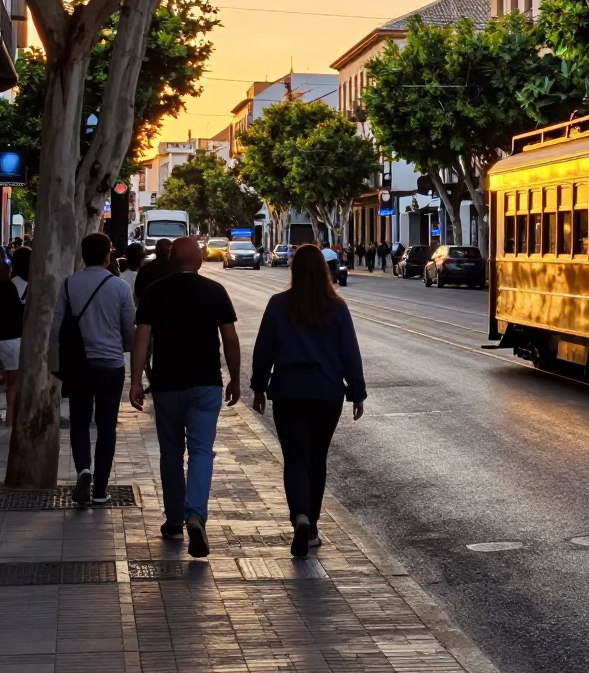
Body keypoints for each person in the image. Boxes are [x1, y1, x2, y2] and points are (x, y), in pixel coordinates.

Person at [250, 244, 366, 557]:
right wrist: (357, 393)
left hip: (288, 391)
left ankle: (299, 515)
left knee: (296, 459)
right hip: (326, 393)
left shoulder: (278, 305)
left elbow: (263, 351)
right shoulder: (337, 307)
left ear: (293, 269)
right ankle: (312, 526)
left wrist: (259, 388)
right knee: (317, 459)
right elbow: (350, 354)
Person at [129, 237, 240, 557]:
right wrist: (234, 378)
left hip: (166, 385)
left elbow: (141, 341)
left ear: (171, 261)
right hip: (206, 384)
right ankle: (195, 513)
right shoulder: (215, 291)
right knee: (202, 452)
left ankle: (174, 519)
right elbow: (230, 339)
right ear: (201, 261)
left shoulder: (154, 292)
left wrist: (136, 381)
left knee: (171, 452)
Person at [51, 233, 135, 506]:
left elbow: (56, 329)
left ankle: (83, 470)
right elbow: (128, 331)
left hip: (79, 365)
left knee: (79, 421)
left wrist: (55, 360)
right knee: (107, 426)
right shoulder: (120, 287)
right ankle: (100, 488)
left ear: (82, 255)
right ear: (108, 255)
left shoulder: (68, 285)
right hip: (111, 365)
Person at [0, 252, 27, 427]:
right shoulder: (9, 287)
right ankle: (10, 419)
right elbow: (18, 313)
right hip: (12, 339)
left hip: (4, 338)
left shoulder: (12, 285)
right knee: (13, 381)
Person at [133, 238, 173, 303]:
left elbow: (138, 292)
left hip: (150, 309)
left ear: (156, 250)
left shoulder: (145, 269)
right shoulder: (176, 269)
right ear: (170, 251)